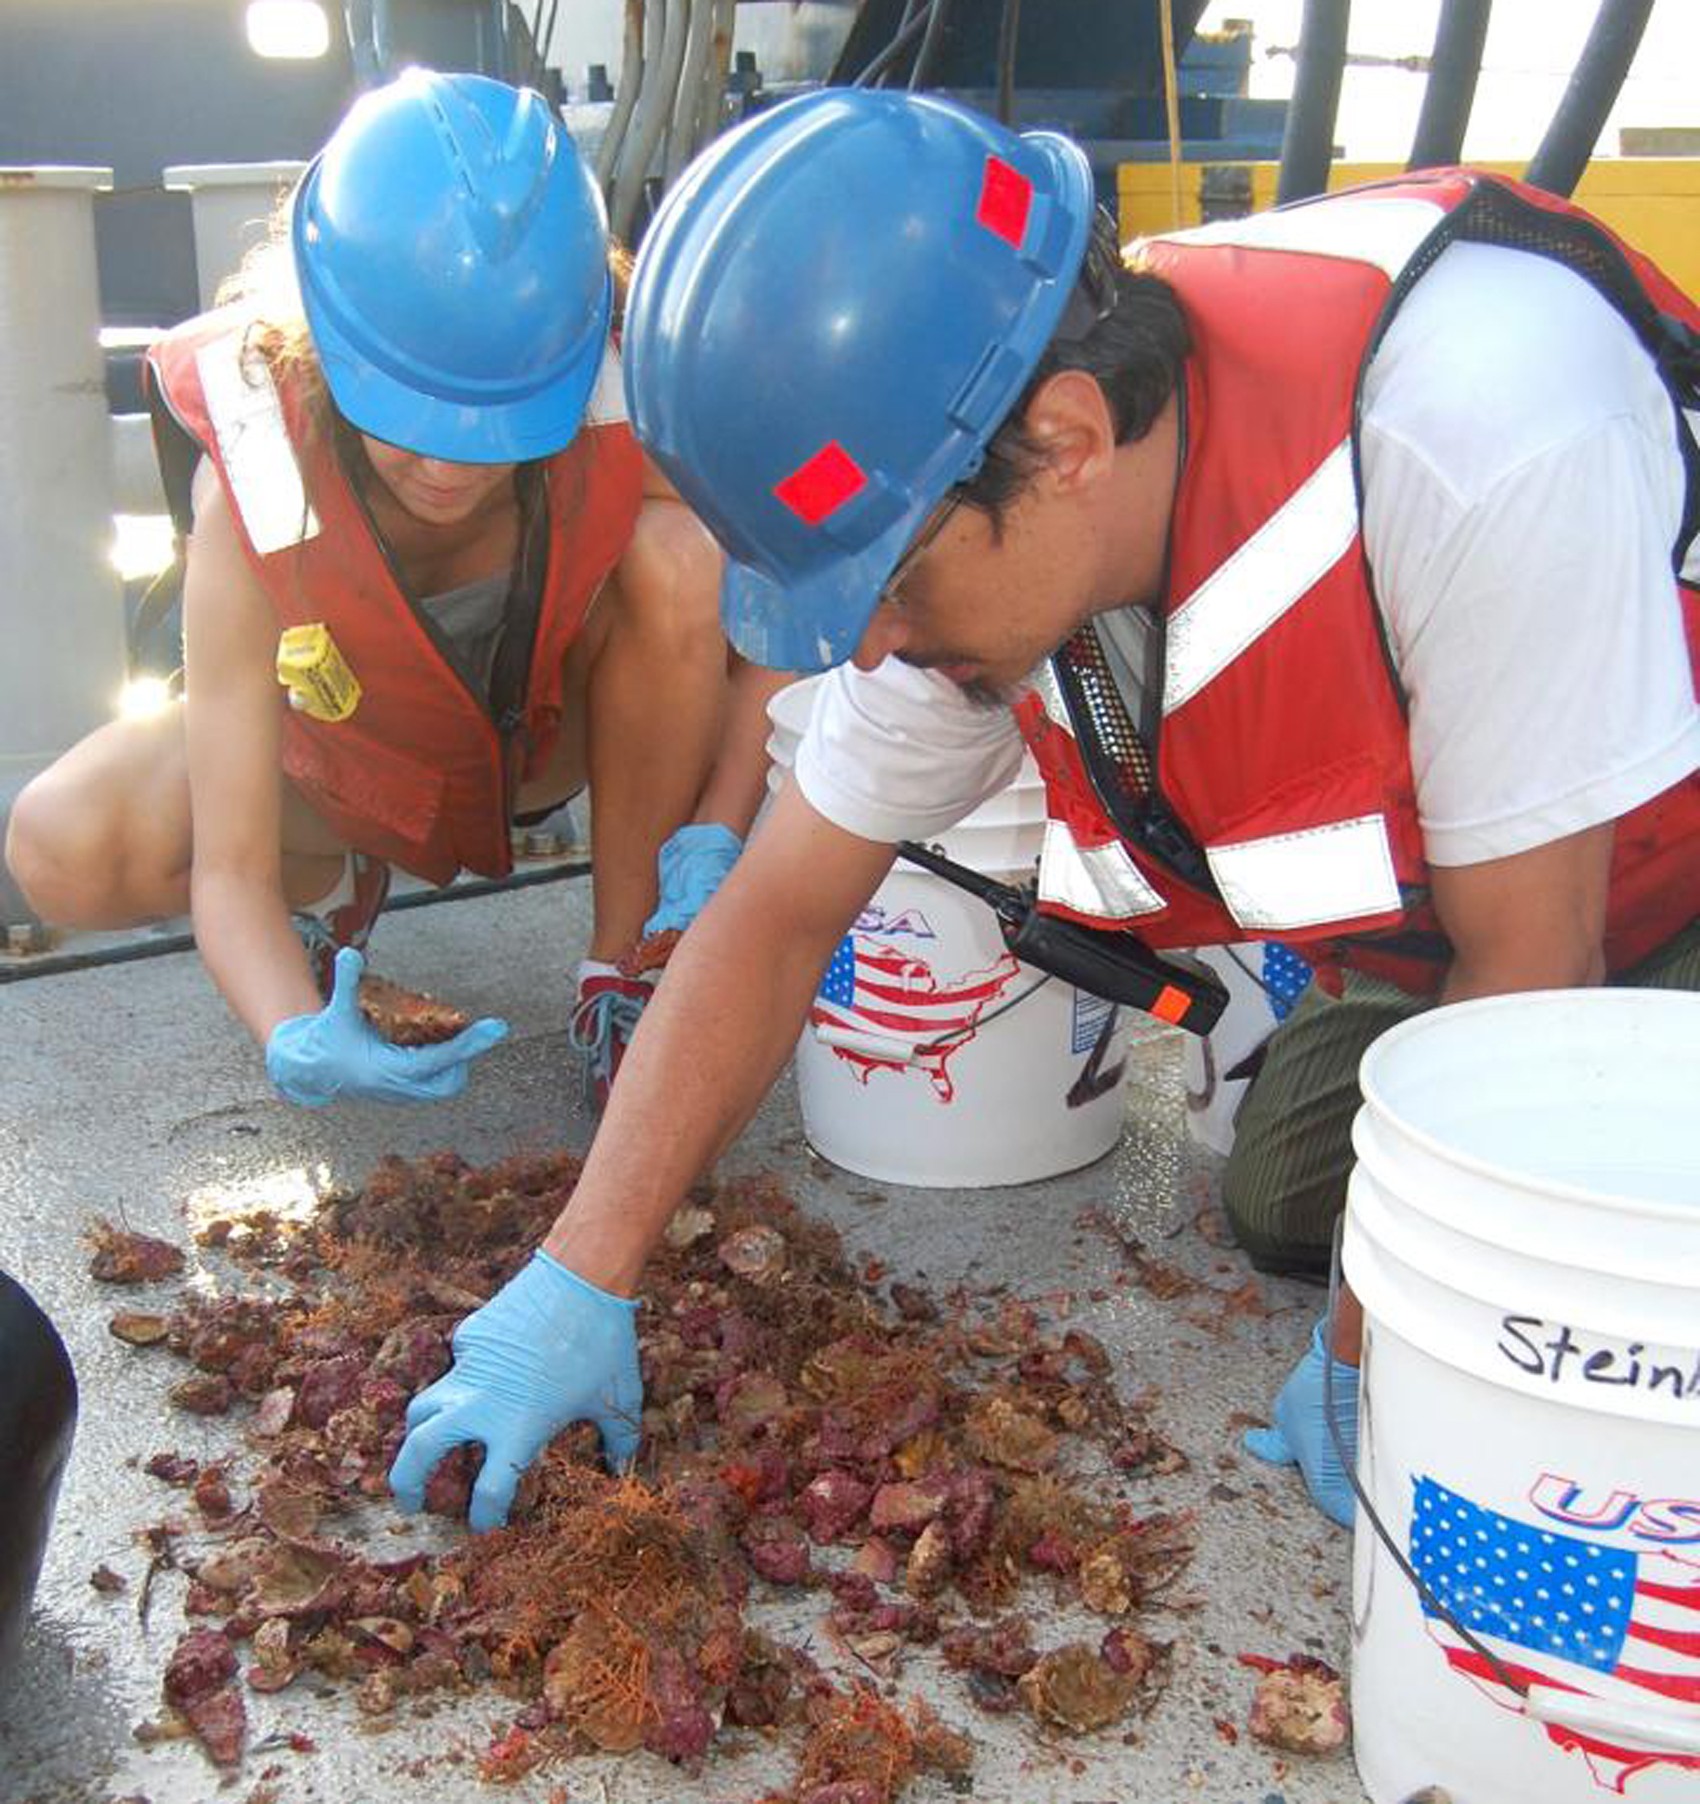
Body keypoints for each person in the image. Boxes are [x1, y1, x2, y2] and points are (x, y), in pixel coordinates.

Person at [386, 89, 1700, 1535]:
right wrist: (581, 1273)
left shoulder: (1481, 423)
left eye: (884, 586)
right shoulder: (967, 493)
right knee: (1286, 1203)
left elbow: (1532, 977)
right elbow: (776, 914)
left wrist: (1368, 1361)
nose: (870, 646)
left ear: (1067, 438)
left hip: (1636, 898)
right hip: (1462, 927)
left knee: (1545, 1326)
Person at [4, 71, 737, 1111]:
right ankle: (332, 912)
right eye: (411, 418)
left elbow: (799, 627)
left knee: (685, 552)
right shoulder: (254, 478)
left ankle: (622, 972)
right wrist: (289, 1031)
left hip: (544, 741)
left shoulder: (622, 390)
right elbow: (228, 876)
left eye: (492, 427)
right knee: (58, 842)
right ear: (321, 339)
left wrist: (715, 822)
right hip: (340, 757)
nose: (446, 469)